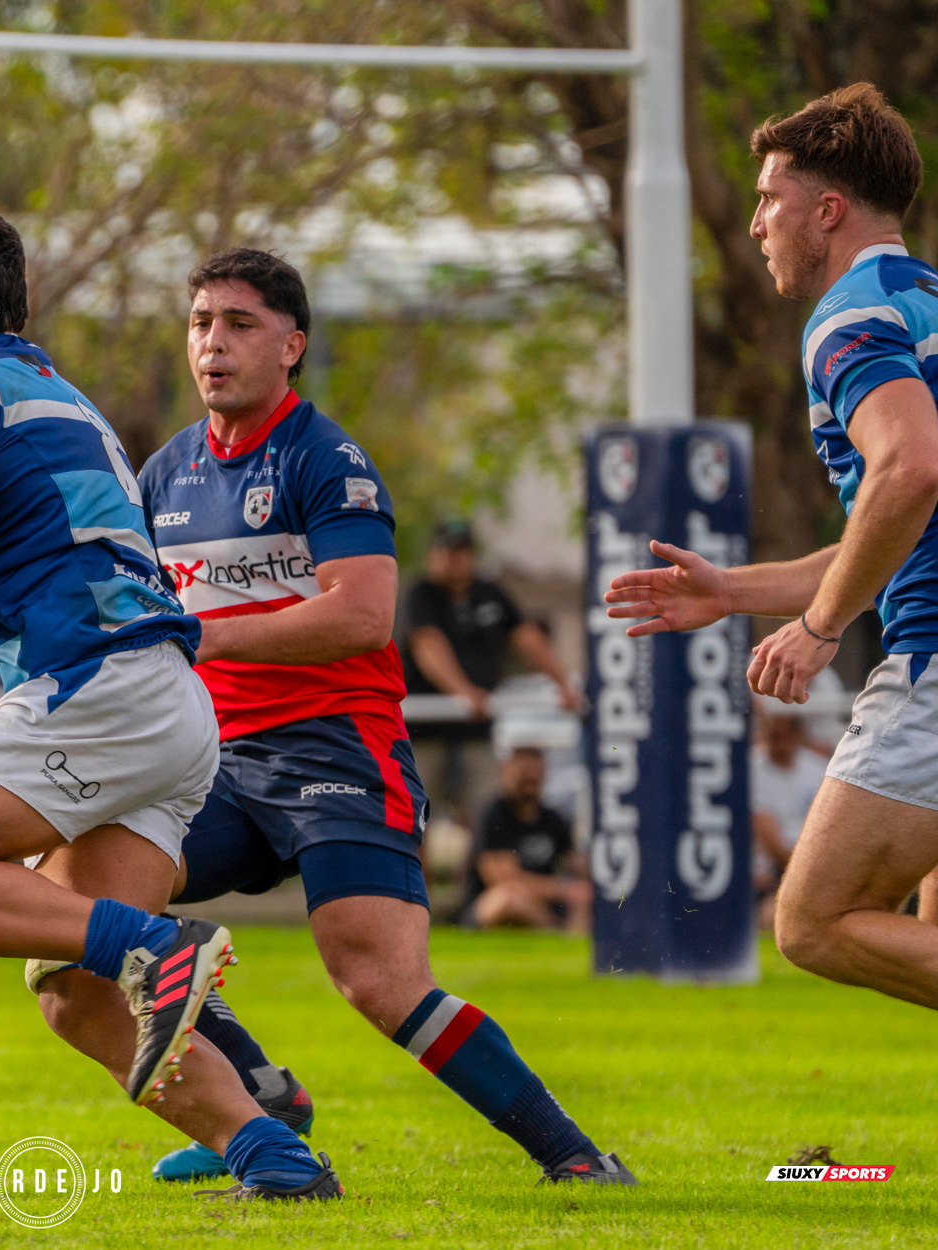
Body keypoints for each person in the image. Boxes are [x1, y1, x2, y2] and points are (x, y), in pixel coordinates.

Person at [0, 203, 338, 1201]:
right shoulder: (51, 393)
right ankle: (273, 1152)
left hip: (105, 693)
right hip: (167, 704)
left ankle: (158, 944)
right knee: (76, 993)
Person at [83, 247, 630, 1188]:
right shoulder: (165, 473)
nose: (213, 343)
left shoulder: (324, 458)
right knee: (92, 917)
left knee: (376, 980)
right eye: (202, 323)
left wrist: (204, 634)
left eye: (240, 325)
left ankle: (574, 1158)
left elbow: (363, 615)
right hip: (211, 762)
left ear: (291, 345)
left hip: (337, 746)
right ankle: (264, 1096)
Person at [605, 85, 938, 1016]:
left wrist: (821, 626)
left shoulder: (849, 317)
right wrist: (732, 591)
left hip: (935, 656)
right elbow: (897, 523)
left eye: (769, 199)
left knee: (815, 921)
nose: (756, 222)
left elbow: (911, 472)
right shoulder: (925, 302)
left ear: (826, 211)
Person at [402, 521, 579, 832]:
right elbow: (428, 645)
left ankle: (479, 880)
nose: (452, 559)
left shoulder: (490, 593)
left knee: (485, 819)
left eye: (459, 551)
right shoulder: (421, 593)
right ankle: (419, 883)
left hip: (476, 730)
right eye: (445, 551)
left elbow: (527, 638)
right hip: (423, 733)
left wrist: (563, 685)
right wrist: (463, 692)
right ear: (432, 555)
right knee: (415, 824)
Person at [459, 747, 590, 932]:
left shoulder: (554, 819)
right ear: (505, 771)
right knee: (509, 899)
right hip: (490, 903)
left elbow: (578, 864)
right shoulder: (493, 814)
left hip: (545, 903)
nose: (530, 780)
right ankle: (555, 932)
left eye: (535, 774)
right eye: (523, 774)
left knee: (586, 897)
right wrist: (563, 889)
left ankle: (576, 945)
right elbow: (502, 879)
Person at [751, 708, 829, 930]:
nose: (775, 741)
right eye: (771, 734)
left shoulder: (817, 767)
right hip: (772, 873)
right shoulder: (752, 769)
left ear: (796, 734)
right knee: (775, 918)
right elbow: (773, 847)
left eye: (781, 734)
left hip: (811, 863)